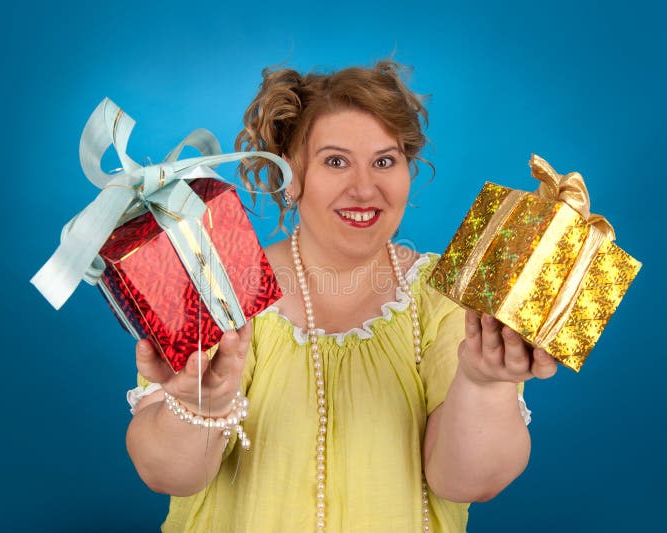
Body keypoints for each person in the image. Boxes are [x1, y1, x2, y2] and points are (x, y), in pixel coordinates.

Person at [125, 60, 559, 532]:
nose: (364, 188)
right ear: (291, 174)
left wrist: (482, 382)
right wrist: (194, 405)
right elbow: (169, 474)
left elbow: (467, 484)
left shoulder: (451, 294)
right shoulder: (219, 282)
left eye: (384, 161)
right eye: (336, 161)